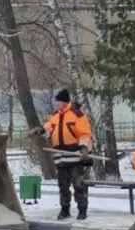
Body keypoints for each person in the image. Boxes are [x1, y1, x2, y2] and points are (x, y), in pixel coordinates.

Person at [28, 89, 94, 220]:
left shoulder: (77, 114)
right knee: (63, 186)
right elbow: (49, 129)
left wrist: (84, 148)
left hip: (75, 155)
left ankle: (82, 210)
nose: (56, 104)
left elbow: (84, 133)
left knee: (78, 185)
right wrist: (40, 131)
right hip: (60, 156)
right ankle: (65, 209)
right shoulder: (56, 116)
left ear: (64, 101)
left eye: (58, 101)